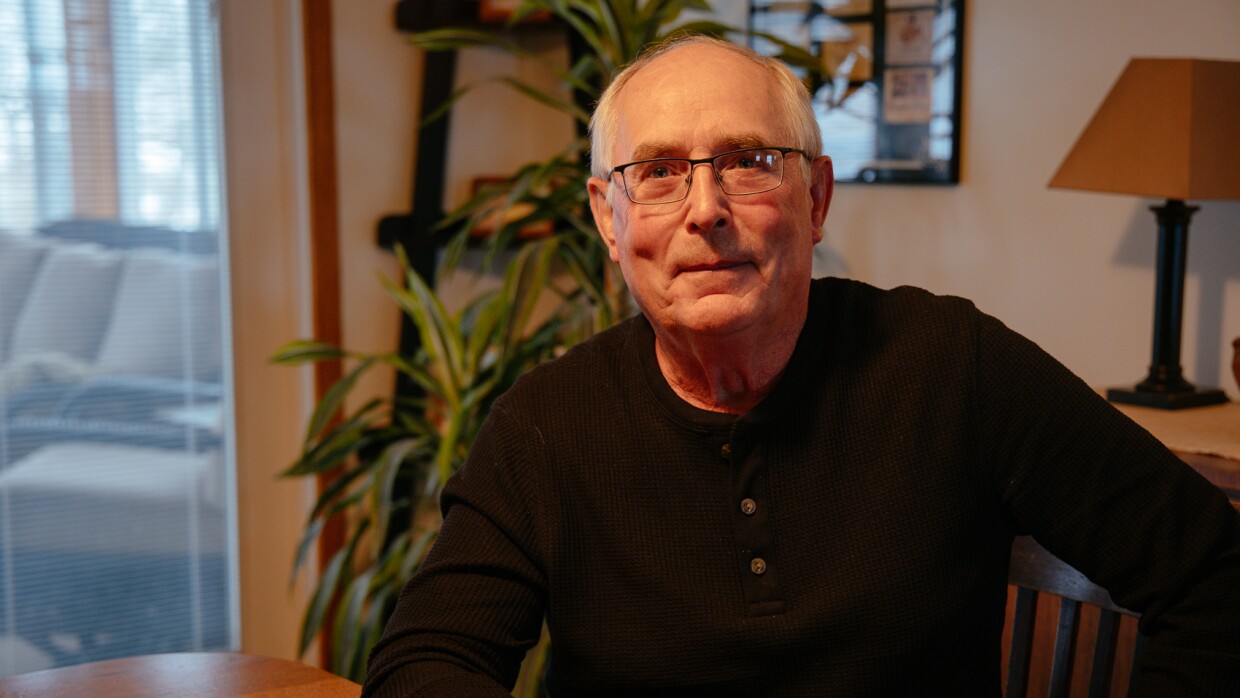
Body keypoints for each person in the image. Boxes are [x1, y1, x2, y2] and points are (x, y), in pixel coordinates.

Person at [363, 35, 1240, 696]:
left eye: (749, 164)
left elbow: (1215, 576)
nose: (705, 210)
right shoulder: (546, 425)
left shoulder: (951, 367)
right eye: (660, 172)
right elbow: (427, 660)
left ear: (815, 199)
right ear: (609, 218)